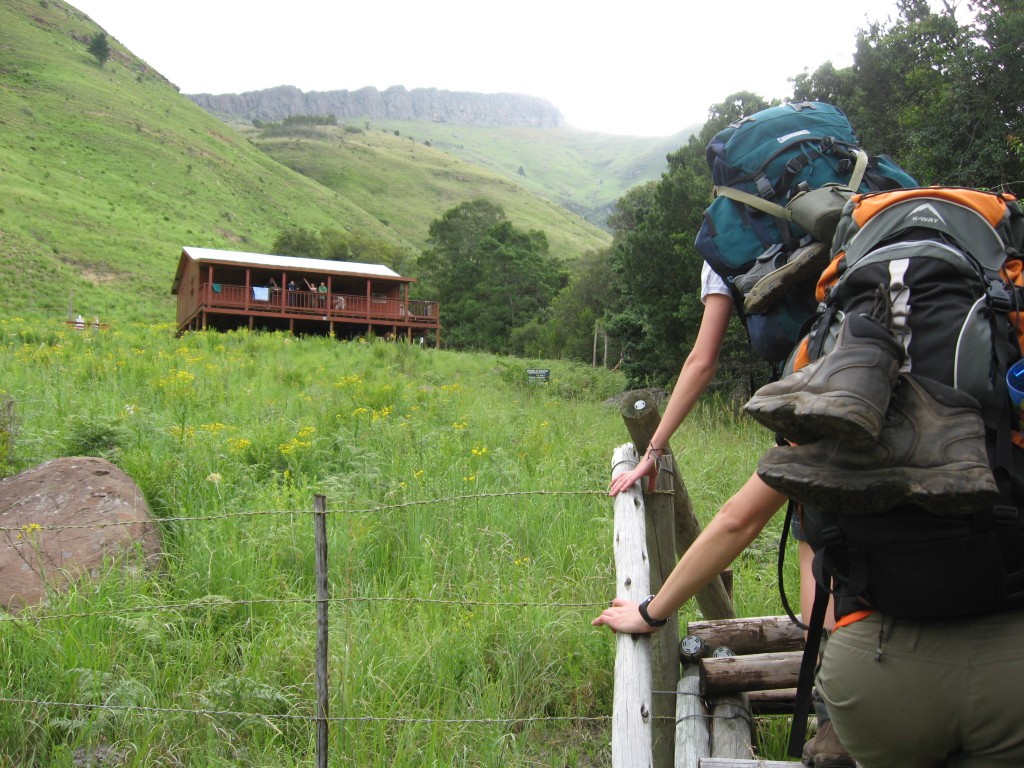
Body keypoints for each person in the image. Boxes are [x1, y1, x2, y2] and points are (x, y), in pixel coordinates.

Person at [602, 261, 852, 768]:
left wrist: (652, 611)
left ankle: (837, 724)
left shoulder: (730, 243)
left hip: (883, 675)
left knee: (820, 570)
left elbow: (739, 520)